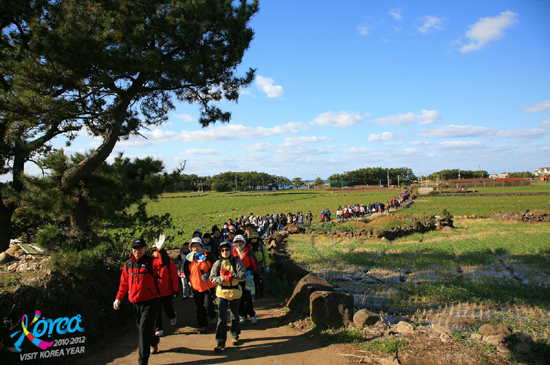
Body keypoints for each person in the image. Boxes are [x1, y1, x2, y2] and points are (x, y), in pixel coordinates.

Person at [113, 237, 162, 365]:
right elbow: (124, 284)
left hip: (151, 301)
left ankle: (142, 361)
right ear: (132, 250)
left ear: (145, 249)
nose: (137, 251)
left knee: (143, 330)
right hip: (135, 302)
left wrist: (159, 250)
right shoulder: (128, 265)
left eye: (139, 248)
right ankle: (153, 341)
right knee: (142, 328)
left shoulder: (151, 262)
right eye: (135, 248)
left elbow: (161, 264)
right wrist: (118, 298)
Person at [209, 241, 247, 352]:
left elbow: (243, 275)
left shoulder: (237, 262)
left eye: (227, 250)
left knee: (235, 316)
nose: (225, 252)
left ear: (230, 250)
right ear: (220, 252)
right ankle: (220, 342)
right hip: (222, 293)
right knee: (222, 318)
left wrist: (232, 276)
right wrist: (223, 278)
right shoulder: (217, 263)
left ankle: (235, 336)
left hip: (235, 292)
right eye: (222, 250)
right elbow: (212, 278)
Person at [184, 237, 217, 334]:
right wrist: (189, 281)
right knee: (199, 307)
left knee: (208, 305)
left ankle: (212, 316)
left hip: (208, 285)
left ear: (201, 246)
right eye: (193, 246)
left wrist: (209, 274)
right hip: (195, 286)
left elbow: (216, 266)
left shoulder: (208, 255)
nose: (195, 248)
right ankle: (202, 325)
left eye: (197, 246)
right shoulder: (189, 258)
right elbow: (186, 271)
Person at [152, 240, 179, 337]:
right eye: (154, 251)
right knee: (156, 311)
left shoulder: (168, 262)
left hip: (167, 291)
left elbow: (174, 276)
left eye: (157, 250)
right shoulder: (150, 263)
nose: (156, 253)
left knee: (168, 309)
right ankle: (159, 328)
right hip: (154, 292)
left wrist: (176, 289)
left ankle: (172, 316)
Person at [232, 235, 258, 324]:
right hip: (236, 277)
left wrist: (258, 274)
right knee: (239, 298)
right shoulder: (232, 253)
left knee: (248, 298)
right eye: (237, 242)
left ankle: (252, 315)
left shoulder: (249, 252)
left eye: (240, 242)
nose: (239, 244)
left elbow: (254, 263)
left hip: (247, 277)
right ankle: (242, 315)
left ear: (244, 243)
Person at [249, 232, 269, 299]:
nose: (253, 240)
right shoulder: (249, 248)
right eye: (252, 239)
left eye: (255, 238)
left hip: (260, 266)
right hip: (252, 267)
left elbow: (266, 256)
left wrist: (267, 265)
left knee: (261, 280)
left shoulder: (262, 247)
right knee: (253, 280)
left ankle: (261, 291)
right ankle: (255, 293)